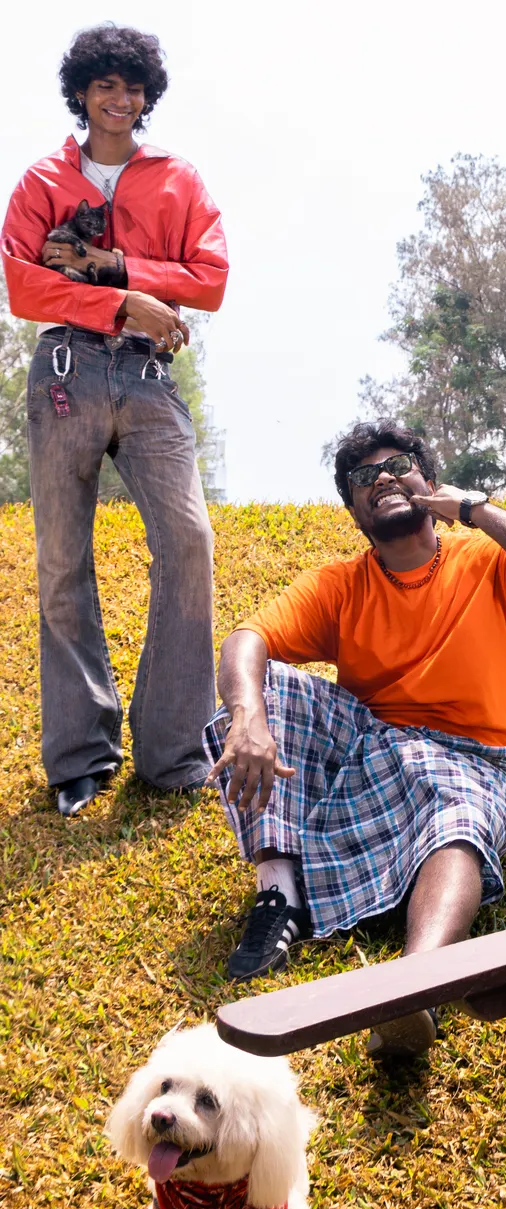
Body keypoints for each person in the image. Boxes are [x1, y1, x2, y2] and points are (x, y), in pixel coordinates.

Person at [206, 422, 506, 1058]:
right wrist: (248, 712)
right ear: (356, 512)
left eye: (400, 465)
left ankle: (415, 987)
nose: (382, 479)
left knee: (459, 823)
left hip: (473, 760)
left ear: (430, 482)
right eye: (363, 478)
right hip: (374, 746)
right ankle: (279, 899)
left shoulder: (487, 560)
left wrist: (475, 511)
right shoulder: (342, 584)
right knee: (259, 685)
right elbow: (245, 639)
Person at [2, 24, 227, 816]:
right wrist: (119, 300)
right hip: (65, 371)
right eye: (104, 85)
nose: (119, 100)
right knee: (63, 562)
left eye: (132, 87)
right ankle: (78, 759)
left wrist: (124, 270)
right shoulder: (41, 180)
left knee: (190, 539)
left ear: (146, 97)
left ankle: (173, 750)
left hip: (147, 375)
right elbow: (23, 291)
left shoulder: (177, 181)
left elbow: (213, 279)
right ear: (82, 93)